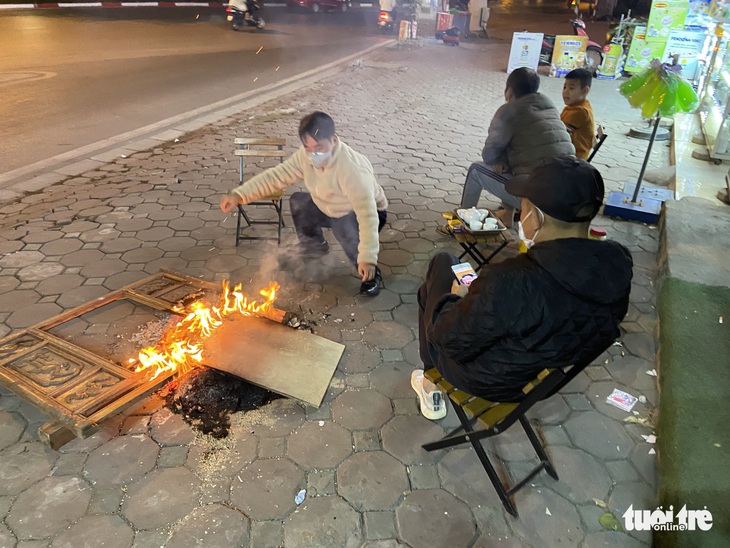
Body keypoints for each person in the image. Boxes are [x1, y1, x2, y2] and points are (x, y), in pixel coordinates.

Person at [414, 156, 632, 417]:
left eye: (522, 209)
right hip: (539, 380)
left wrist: (454, 299)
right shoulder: (618, 261)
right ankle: (429, 374)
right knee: (445, 275)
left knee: (441, 267)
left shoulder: (510, 280)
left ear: (536, 218)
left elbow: (446, 340)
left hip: (489, 380)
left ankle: (430, 378)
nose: (519, 217)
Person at [220, 111, 388, 297]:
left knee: (344, 230)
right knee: (299, 202)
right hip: (328, 206)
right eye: (308, 147)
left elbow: (368, 215)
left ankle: (370, 276)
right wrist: (239, 195)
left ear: (333, 139)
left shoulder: (352, 170)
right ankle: (314, 247)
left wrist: (368, 258)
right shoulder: (305, 157)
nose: (313, 153)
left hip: (363, 213)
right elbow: (276, 176)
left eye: (319, 146)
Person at [444, 67, 574, 231]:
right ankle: (507, 216)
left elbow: (489, 155)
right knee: (516, 161)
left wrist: (500, 159)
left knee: (476, 170)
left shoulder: (508, 111)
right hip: (568, 193)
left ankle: (459, 224)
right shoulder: (548, 105)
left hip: (540, 201)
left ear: (509, 91)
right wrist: (504, 159)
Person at [561, 68, 596, 160]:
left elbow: (559, 131)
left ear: (585, 91)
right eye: (565, 87)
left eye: (571, 88)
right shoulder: (574, 105)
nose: (565, 92)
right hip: (567, 151)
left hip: (574, 158)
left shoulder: (581, 111)